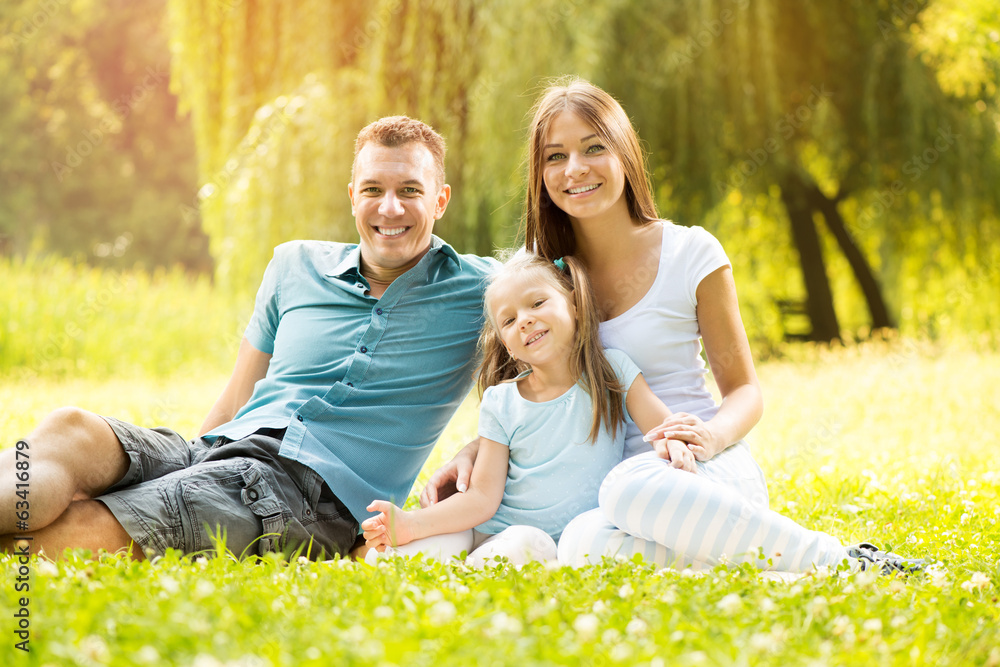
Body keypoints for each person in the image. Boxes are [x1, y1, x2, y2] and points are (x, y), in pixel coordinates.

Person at [423, 79, 922, 574]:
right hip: (604, 502)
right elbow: (532, 395)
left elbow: (745, 390)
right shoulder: (539, 279)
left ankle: (845, 561)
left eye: (593, 147)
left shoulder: (691, 252)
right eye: (554, 156)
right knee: (579, 543)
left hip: (698, 469)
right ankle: (778, 574)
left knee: (628, 488)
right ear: (540, 172)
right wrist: (478, 450)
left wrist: (712, 436)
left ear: (624, 153)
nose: (574, 169)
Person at [0, 116, 497, 561]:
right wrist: (177, 470)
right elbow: (239, 393)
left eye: (409, 190)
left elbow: (563, 337)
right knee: (72, 429)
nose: (389, 208)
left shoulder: (488, 291)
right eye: (373, 189)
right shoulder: (294, 264)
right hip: (218, 450)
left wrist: (480, 443)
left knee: (93, 525)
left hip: (305, 498)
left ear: (440, 199)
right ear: (352, 196)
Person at [361, 252, 695, 567]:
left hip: (545, 541)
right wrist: (413, 524)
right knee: (417, 549)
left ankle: (472, 568)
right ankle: (398, 545)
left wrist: (675, 443)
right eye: (509, 320)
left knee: (527, 543)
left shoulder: (614, 372)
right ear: (508, 345)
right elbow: (481, 497)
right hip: (486, 527)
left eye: (537, 303)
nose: (525, 320)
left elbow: (662, 428)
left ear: (575, 305)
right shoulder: (502, 401)